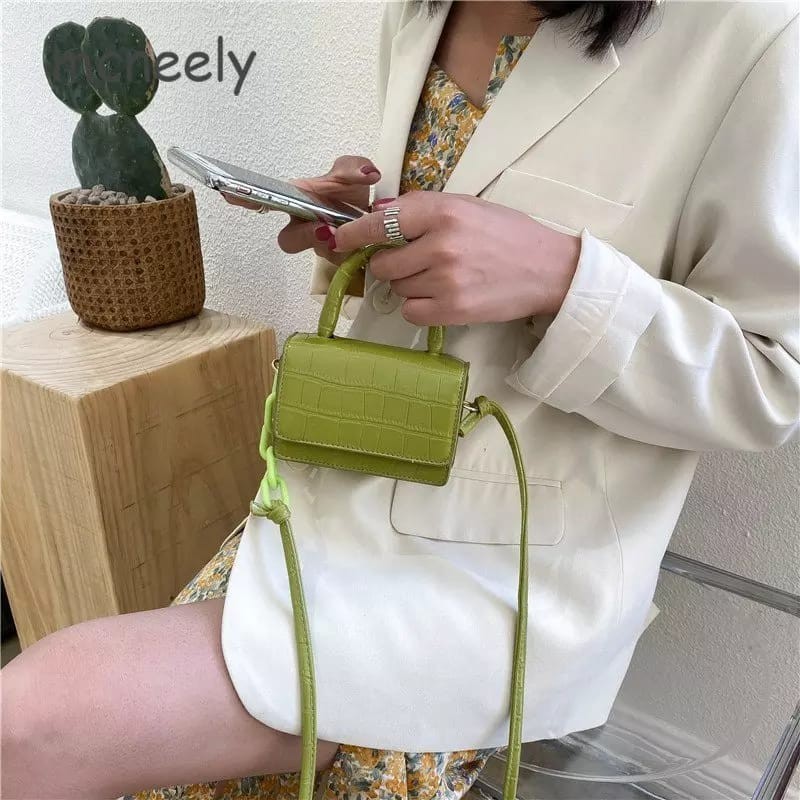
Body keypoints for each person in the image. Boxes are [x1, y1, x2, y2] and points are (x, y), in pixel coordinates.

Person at [3, 1, 798, 797]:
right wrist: (360, 228)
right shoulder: (420, 13)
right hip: (338, 487)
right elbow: (452, 236)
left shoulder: (752, 36)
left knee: (36, 718)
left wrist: (563, 278)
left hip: (502, 562)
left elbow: (770, 380)